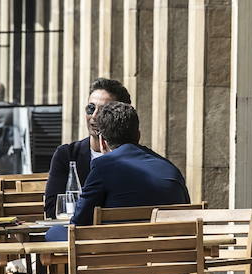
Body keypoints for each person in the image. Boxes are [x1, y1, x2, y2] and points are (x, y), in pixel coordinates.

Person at [44, 101, 188, 242]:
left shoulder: (102, 167)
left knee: (53, 233)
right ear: (138, 135)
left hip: (117, 260)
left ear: (102, 142)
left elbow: (78, 224)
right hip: (170, 258)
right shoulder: (170, 168)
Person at [43, 77, 132, 218]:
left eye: (103, 111)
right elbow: (52, 208)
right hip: (74, 232)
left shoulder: (133, 157)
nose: (94, 116)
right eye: (91, 108)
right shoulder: (66, 155)